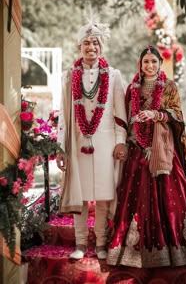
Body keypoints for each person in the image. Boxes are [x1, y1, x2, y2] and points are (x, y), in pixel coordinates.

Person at [106, 45, 186, 268]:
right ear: (140, 65)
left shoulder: (169, 87)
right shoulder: (132, 87)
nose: (150, 66)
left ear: (160, 64)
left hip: (163, 151)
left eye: (154, 61)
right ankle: (132, 251)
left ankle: (177, 251)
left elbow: (178, 116)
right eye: (146, 62)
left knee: (170, 200)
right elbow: (125, 117)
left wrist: (157, 114)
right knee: (135, 199)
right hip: (137, 150)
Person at [56, 22, 128, 260]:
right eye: (86, 43)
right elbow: (64, 115)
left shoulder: (114, 75)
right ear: (79, 47)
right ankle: (80, 243)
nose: (91, 47)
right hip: (78, 144)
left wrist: (121, 141)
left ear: (101, 46)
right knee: (81, 195)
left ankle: (101, 243)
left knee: (104, 196)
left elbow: (120, 114)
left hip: (106, 145)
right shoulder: (69, 76)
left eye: (95, 42)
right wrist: (61, 147)